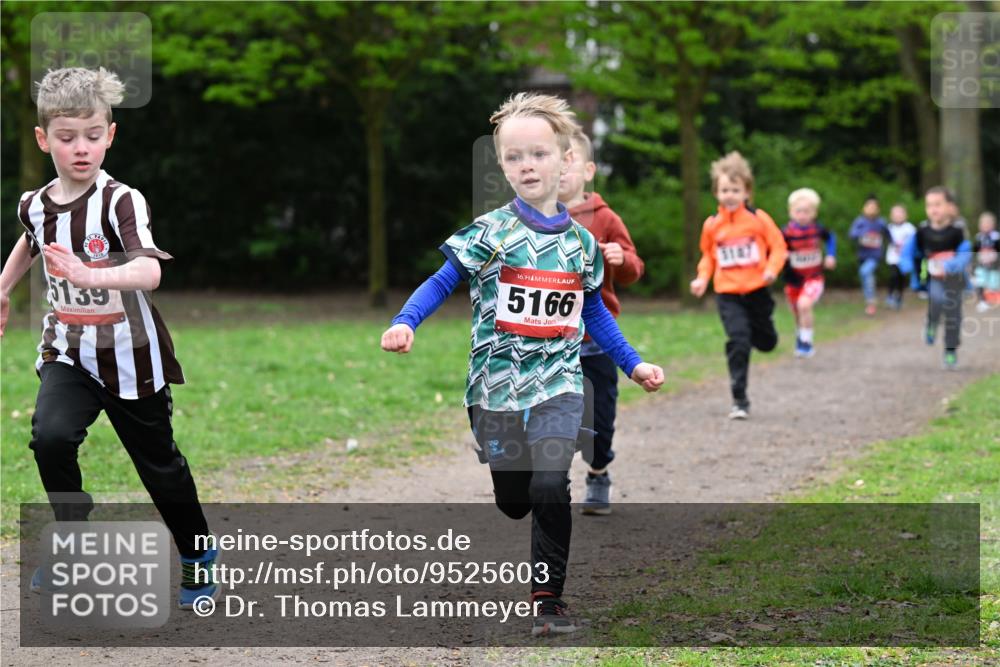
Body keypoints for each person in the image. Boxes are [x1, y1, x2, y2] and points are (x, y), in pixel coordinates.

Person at [380, 93, 664, 635]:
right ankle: (506, 471)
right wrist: (405, 321)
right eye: (513, 158)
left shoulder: (582, 245)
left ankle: (549, 603)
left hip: (559, 382)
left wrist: (633, 364)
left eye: (537, 154)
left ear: (565, 161)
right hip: (495, 389)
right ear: (502, 167)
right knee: (515, 500)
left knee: (550, 483)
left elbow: (594, 316)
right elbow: (443, 280)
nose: (526, 165)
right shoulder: (491, 232)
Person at [0, 68, 218, 607]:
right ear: (43, 138)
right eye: (68, 137)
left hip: (131, 358)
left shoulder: (122, 201)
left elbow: (150, 273)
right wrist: (2, 288)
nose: (81, 149)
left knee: (160, 467)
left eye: (93, 136)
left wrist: (89, 275)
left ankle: (196, 552)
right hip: (68, 352)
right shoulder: (34, 203)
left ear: (110, 135)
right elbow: (31, 242)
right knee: (50, 438)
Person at [557, 127, 644, 516]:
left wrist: (621, 259)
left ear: (588, 169)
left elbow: (634, 267)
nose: (559, 169)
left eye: (568, 160)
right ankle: (548, 480)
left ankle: (598, 470)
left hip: (596, 338)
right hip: (549, 339)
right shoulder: (533, 218)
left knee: (599, 415)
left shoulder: (605, 218)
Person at [690, 152, 787, 419]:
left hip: (757, 290)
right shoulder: (712, 225)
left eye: (735, 190)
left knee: (767, 342)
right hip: (728, 294)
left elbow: (778, 246)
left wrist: (771, 269)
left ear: (746, 192)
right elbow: (708, 256)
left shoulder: (758, 219)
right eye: (724, 190)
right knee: (739, 340)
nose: (729, 195)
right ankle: (739, 399)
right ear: (716, 193)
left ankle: (758, 335)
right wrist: (702, 279)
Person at [900, 187, 971, 370]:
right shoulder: (922, 231)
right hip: (933, 279)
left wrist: (950, 265)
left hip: (954, 280)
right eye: (929, 205)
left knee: (954, 316)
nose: (933, 209)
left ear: (949, 207)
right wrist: (906, 264)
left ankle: (950, 350)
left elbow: (965, 254)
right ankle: (931, 323)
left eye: (938, 204)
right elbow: (908, 251)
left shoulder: (957, 231)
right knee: (937, 300)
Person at [780, 188, 836, 358]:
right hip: (794, 279)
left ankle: (807, 342)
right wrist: (782, 255)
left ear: (814, 213)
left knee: (805, 305)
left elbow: (831, 238)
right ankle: (801, 335)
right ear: (791, 212)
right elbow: (777, 246)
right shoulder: (786, 232)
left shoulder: (818, 229)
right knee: (797, 310)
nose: (802, 215)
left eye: (807, 211)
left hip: (813, 277)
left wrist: (831, 255)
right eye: (798, 211)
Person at [849, 194, 889, 315]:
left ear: (878, 209)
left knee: (865, 272)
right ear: (864, 208)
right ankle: (869, 298)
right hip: (862, 255)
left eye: (874, 207)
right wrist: (863, 233)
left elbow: (889, 234)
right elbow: (852, 235)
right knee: (865, 276)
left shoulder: (881, 222)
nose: (871, 209)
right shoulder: (860, 222)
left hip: (875, 255)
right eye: (869, 206)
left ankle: (871, 301)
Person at [885, 203, 917, 310]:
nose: (898, 216)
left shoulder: (910, 228)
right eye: (895, 214)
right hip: (893, 257)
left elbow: (913, 242)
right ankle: (890, 294)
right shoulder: (889, 228)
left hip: (904, 258)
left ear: (905, 215)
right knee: (893, 275)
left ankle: (899, 297)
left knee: (901, 278)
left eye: (900, 213)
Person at [972, 211, 999, 312]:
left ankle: (992, 299)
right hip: (981, 265)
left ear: (993, 225)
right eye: (984, 223)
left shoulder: (996, 237)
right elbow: (975, 250)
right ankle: (983, 301)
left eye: (988, 223)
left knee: (993, 284)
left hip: (994, 266)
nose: (986, 226)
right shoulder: (979, 237)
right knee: (980, 282)